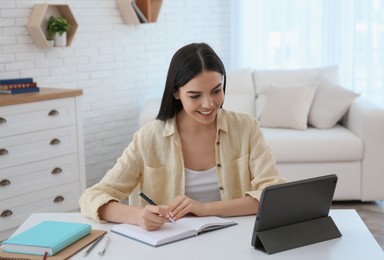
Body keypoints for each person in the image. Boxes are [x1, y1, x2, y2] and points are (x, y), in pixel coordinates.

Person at [79, 43, 286, 231]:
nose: (208, 104)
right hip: (168, 247)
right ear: (176, 93)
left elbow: (273, 194)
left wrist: (204, 208)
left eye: (216, 91)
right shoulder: (149, 138)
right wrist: (138, 216)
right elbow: (92, 197)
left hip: (233, 241)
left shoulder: (246, 128)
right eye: (195, 96)